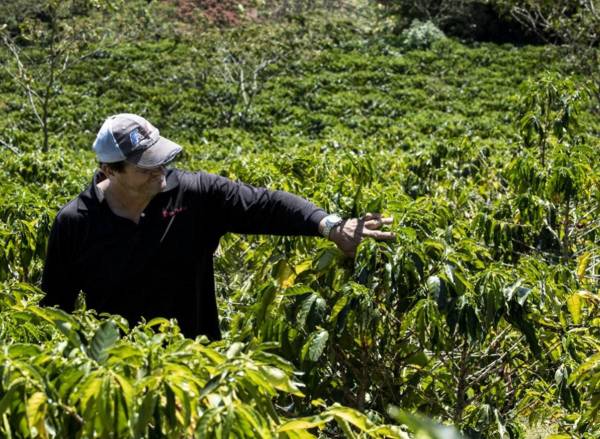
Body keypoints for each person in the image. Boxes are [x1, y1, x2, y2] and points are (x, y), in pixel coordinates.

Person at [41, 113, 394, 339]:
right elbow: (55, 308)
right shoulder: (76, 222)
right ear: (109, 171)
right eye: (145, 166)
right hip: (120, 373)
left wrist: (330, 225)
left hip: (199, 363)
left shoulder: (193, 194)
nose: (159, 170)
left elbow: (266, 205)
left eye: (161, 159)